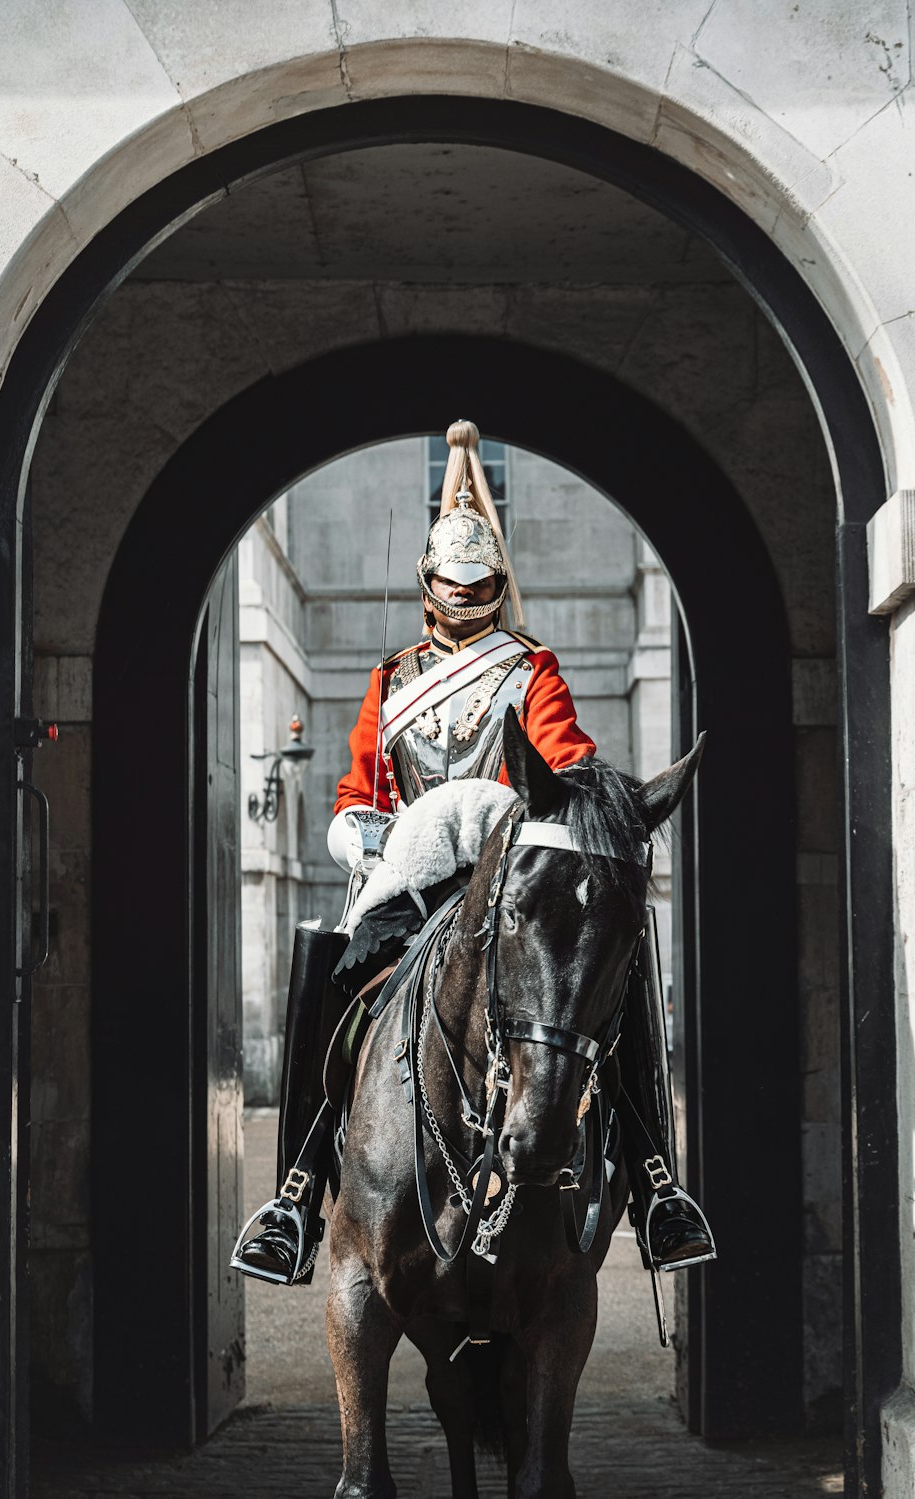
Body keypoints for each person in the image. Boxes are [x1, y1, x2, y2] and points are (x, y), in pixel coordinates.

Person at [232, 419, 714, 1284]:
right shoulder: (394, 676)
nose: (463, 602)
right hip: (411, 880)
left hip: (512, 879)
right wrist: (363, 832)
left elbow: (564, 764)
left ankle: (652, 1178)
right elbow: (355, 791)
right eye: (454, 589)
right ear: (428, 587)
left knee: (612, 964)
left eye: (478, 588)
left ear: (496, 587)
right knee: (327, 967)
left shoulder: (532, 672)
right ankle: (300, 1188)